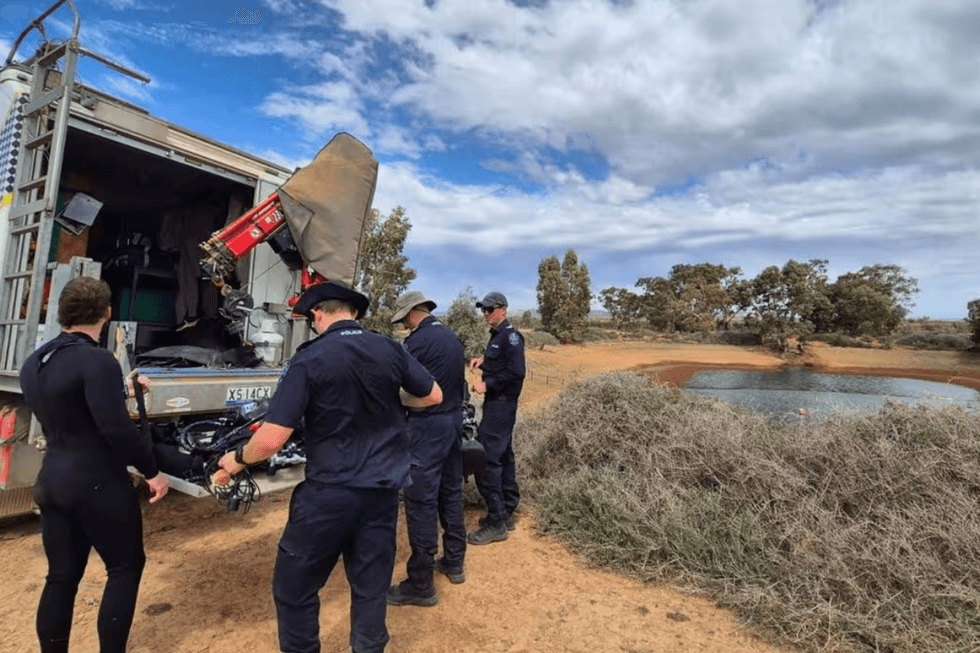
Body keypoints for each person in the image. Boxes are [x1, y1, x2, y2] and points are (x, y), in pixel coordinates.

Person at [213, 280, 442, 653]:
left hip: (329, 495)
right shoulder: (389, 348)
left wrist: (236, 460)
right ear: (353, 313)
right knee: (370, 588)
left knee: (295, 589)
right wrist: (394, 402)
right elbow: (433, 395)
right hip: (382, 494)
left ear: (318, 314)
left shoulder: (310, 358)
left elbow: (271, 439)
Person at [19, 276, 169, 653]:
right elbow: (115, 429)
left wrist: (121, 389)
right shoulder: (98, 360)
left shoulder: (35, 362)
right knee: (124, 568)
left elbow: (71, 405)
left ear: (62, 313)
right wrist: (152, 471)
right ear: (106, 313)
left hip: (52, 479)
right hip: (97, 483)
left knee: (61, 577)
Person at [386, 291, 467, 608]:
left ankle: (421, 583)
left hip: (426, 428)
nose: (404, 326)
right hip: (453, 423)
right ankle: (455, 561)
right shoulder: (451, 338)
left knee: (420, 499)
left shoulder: (416, 343)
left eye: (403, 320)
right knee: (451, 491)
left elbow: (402, 384)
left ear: (410, 314)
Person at [467, 291, 525, 545]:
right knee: (504, 456)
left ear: (502, 309)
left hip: (501, 405)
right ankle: (508, 508)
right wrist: (483, 363)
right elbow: (501, 364)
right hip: (498, 406)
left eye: (490, 310)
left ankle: (497, 521)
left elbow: (516, 374)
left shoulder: (511, 337)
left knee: (486, 459)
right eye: (484, 310)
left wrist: (487, 385)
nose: (486, 314)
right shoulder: (498, 336)